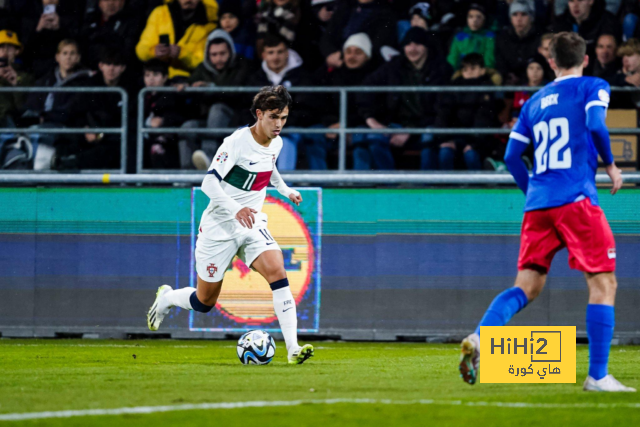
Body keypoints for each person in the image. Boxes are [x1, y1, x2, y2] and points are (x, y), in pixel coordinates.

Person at [458, 32, 635, 393]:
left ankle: (479, 337)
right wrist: (613, 166)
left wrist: (535, 194)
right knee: (603, 283)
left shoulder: (534, 102)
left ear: (551, 62)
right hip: (576, 199)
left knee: (526, 286)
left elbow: (510, 157)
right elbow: (597, 125)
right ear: (585, 59)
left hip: (539, 205)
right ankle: (598, 377)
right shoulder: (593, 85)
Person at [147, 85, 315, 366]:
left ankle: (293, 348)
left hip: (250, 225)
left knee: (277, 271)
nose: (279, 124)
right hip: (219, 227)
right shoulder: (236, 142)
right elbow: (208, 183)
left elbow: (270, 168)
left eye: (284, 118)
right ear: (259, 114)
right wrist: (237, 209)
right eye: (274, 117)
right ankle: (167, 297)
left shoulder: (277, 142)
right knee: (204, 302)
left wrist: (286, 190)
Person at [357, 27, 452, 170]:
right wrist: (371, 119)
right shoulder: (394, 66)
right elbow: (364, 88)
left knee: (429, 140)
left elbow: (442, 110)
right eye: (408, 44)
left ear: (426, 47)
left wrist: (411, 131)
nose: (412, 49)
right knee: (374, 138)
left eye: (417, 44)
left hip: (427, 124)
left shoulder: (441, 69)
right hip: (397, 124)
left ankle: (426, 188)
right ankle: (390, 186)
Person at [180, 29, 254, 170]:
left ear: (231, 52)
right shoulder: (203, 68)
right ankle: (186, 173)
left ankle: (209, 156)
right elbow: (190, 84)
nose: (218, 58)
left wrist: (210, 87)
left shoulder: (242, 65)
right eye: (214, 55)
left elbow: (234, 92)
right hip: (209, 122)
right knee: (188, 127)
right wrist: (183, 86)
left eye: (222, 54)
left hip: (237, 119)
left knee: (217, 109)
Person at [306, 32, 376, 170]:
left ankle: (360, 184)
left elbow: (371, 110)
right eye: (348, 51)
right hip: (333, 126)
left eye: (358, 52)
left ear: (367, 56)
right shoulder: (332, 76)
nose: (352, 56)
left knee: (361, 138)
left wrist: (345, 125)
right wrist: (331, 124)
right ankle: (320, 181)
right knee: (313, 135)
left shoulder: (374, 77)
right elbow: (320, 105)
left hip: (358, 126)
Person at [247, 34, 314, 170]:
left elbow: (306, 109)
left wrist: (279, 123)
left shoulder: (302, 77)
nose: (275, 57)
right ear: (264, 55)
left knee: (285, 140)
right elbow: (249, 108)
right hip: (263, 129)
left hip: (292, 129)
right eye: (271, 53)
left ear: (287, 53)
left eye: (280, 52)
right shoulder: (255, 78)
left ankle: (283, 187)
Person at [433, 53, 496, 170]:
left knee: (471, 155)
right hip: (454, 136)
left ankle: (476, 187)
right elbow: (444, 113)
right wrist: (444, 139)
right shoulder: (453, 87)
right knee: (444, 153)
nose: (469, 72)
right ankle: (444, 187)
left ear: (482, 70)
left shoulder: (488, 88)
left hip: (478, 140)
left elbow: (484, 118)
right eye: (465, 69)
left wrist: (474, 144)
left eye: (473, 68)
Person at [135, 0, 218, 79]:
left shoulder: (209, 24)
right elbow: (141, 49)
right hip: (157, 77)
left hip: (188, 80)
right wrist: (153, 51)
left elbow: (205, 62)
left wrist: (182, 54)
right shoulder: (160, 13)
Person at [142, 59, 185, 169]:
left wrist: (163, 120)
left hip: (168, 138)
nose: (151, 79)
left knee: (157, 147)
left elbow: (180, 116)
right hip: (146, 137)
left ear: (165, 77)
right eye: (147, 75)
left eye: (156, 75)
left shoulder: (171, 93)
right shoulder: (142, 96)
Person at [79, 0, 140, 70]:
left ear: (123, 2)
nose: (111, 3)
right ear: (99, 2)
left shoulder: (132, 22)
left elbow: (128, 51)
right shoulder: (89, 19)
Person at [552, 0, 620, 59]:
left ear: (591, 1)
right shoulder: (561, 21)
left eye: (580, 0)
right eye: (571, 1)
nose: (575, 5)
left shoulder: (608, 22)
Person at [495, 0, 540, 85]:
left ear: (531, 18)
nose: (519, 19)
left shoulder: (539, 38)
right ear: (510, 19)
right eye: (515, 14)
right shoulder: (503, 38)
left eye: (523, 14)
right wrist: (507, 75)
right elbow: (500, 62)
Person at [0, 30, 34, 128]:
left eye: (10, 47)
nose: (5, 51)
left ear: (17, 51)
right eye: (1, 47)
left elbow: (23, 108)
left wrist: (16, 85)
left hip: (9, 123)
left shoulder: (26, 77)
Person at [447, 3, 495, 70]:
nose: (474, 20)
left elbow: (489, 58)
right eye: (471, 17)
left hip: (481, 72)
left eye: (479, 17)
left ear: (484, 19)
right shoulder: (459, 36)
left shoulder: (489, 36)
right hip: (462, 72)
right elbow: (453, 58)